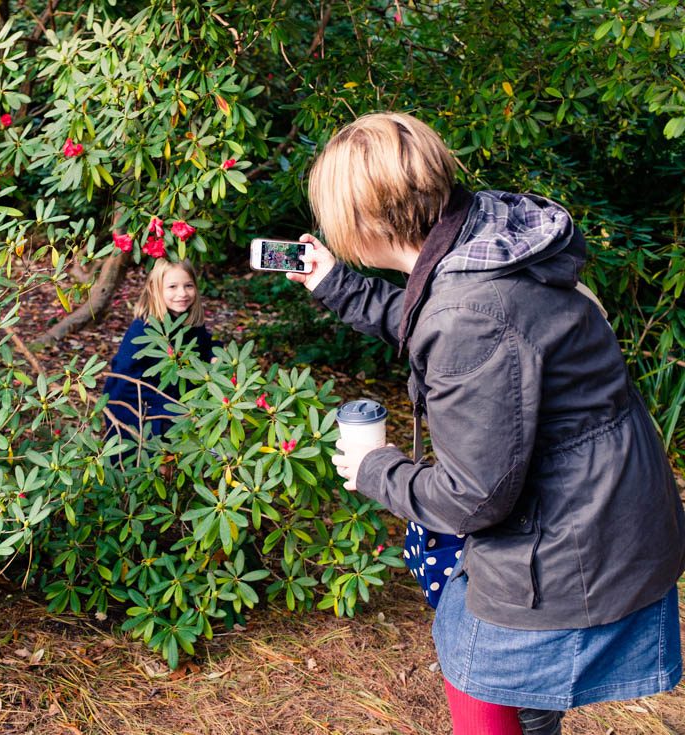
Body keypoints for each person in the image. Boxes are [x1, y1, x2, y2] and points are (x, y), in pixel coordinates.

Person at [289, 112, 685, 734]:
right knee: (513, 699)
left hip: (569, 542)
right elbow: (436, 314)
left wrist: (375, 469)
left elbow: (472, 497)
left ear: (363, 220)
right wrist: (336, 284)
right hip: (600, 511)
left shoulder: (473, 310)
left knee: (488, 682)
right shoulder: (485, 240)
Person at [101, 258, 217, 443]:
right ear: (155, 290)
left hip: (178, 404)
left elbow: (204, 344)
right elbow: (123, 384)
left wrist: (214, 356)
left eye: (188, 285)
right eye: (172, 287)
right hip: (140, 413)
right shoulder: (143, 330)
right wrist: (172, 410)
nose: (182, 293)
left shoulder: (188, 322)